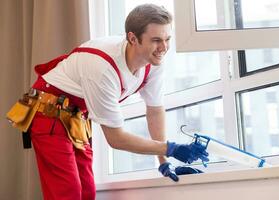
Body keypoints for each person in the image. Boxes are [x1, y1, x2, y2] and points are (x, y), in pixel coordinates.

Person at [10, 4, 209, 200]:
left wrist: (164, 162)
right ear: (133, 38)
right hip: (48, 111)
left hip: (76, 117)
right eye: (156, 40)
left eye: (167, 39)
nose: (164, 48)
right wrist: (170, 148)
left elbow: (155, 110)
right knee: (67, 193)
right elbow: (116, 139)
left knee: (86, 192)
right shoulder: (103, 68)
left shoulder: (153, 63)